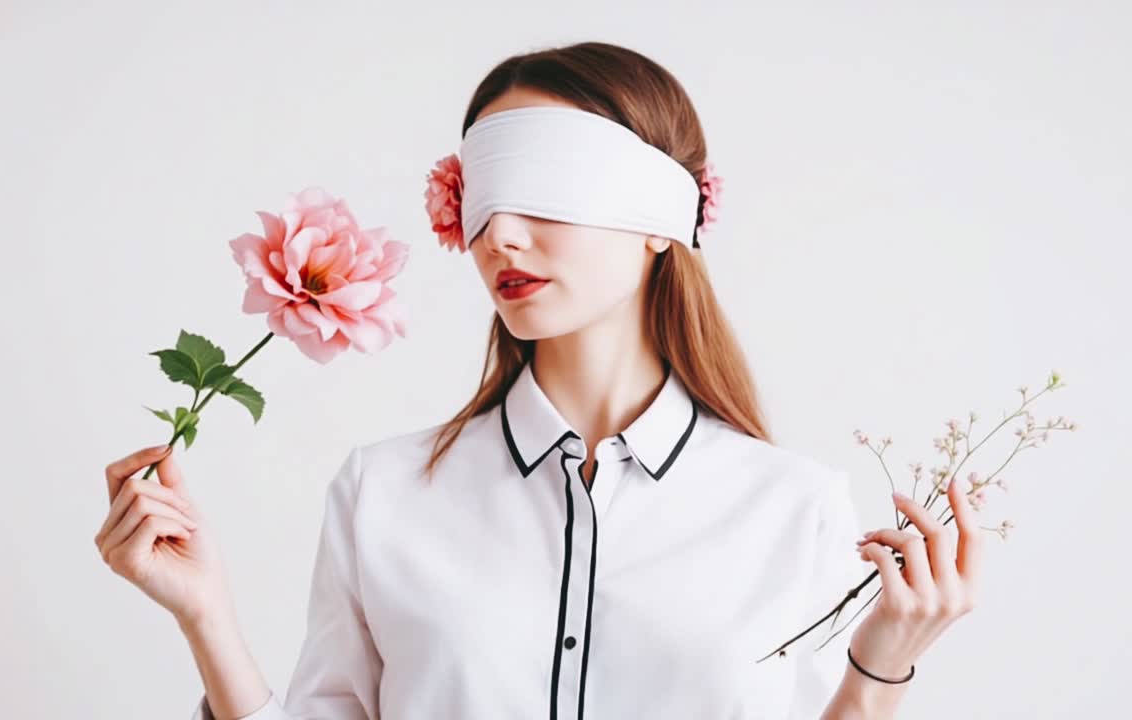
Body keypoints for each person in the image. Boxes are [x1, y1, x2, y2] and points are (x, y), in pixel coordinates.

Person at [96, 41, 982, 720]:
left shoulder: (794, 508)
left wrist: (880, 668)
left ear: (660, 217)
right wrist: (204, 614)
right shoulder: (384, 494)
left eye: (545, 188)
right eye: (482, 197)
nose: (499, 236)